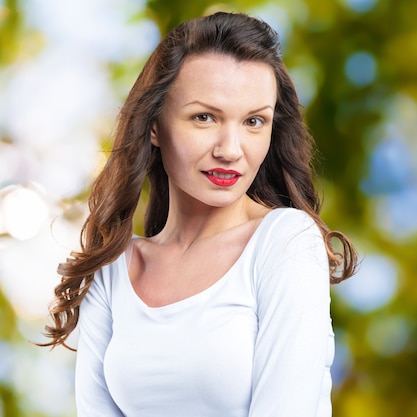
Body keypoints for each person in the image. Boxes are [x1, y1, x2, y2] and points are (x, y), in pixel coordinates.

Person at [40, 11, 357, 416]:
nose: (231, 148)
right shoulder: (115, 267)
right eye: (204, 117)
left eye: (254, 121)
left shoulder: (286, 242)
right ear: (155, 125)